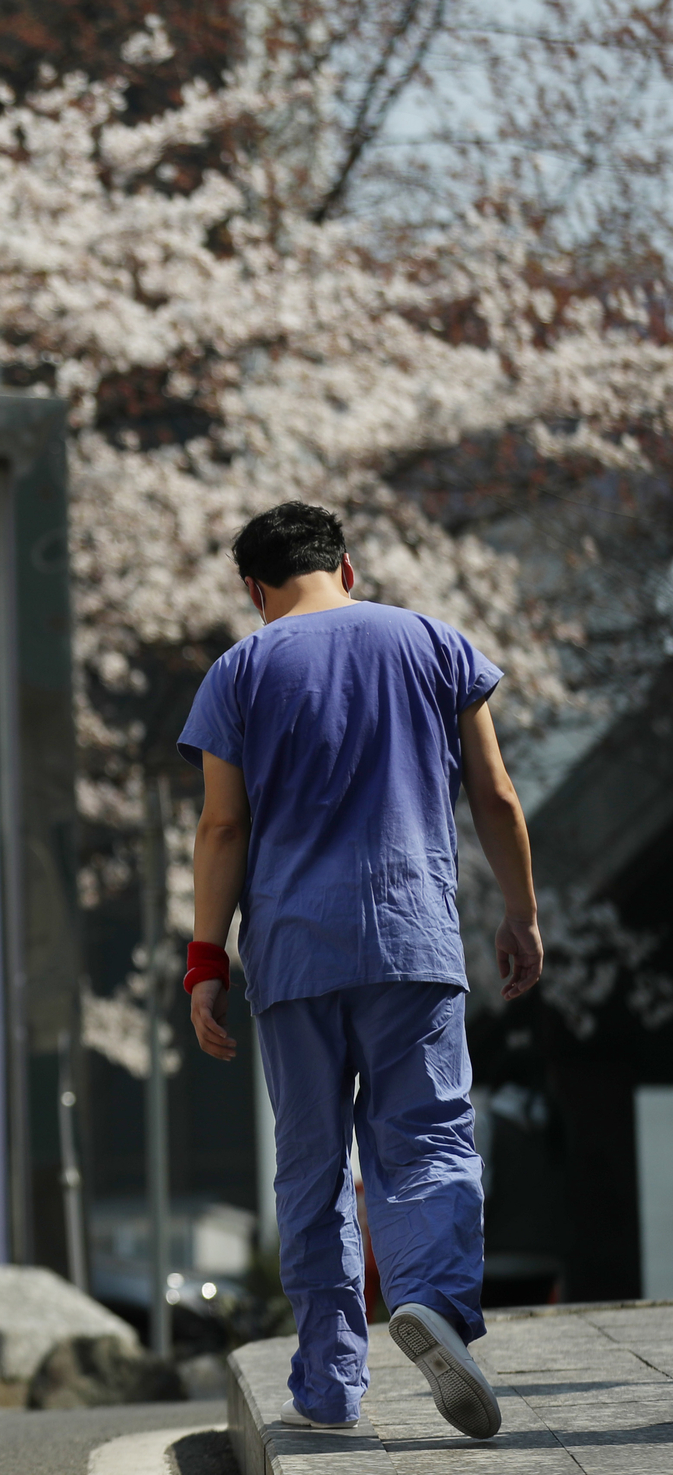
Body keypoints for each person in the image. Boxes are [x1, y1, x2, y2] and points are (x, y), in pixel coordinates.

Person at [177, 502, 541, 1440]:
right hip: (410, 937)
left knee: (311, 1166)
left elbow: (222, 827)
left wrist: (204, 962)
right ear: (349, 564)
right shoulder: (431, 642)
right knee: (425, 1137)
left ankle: (331, 1384)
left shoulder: (240, 670)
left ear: (254, 589)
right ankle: (436, 1308)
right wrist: (521, 913)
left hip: (294, 953)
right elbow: (495, 793)